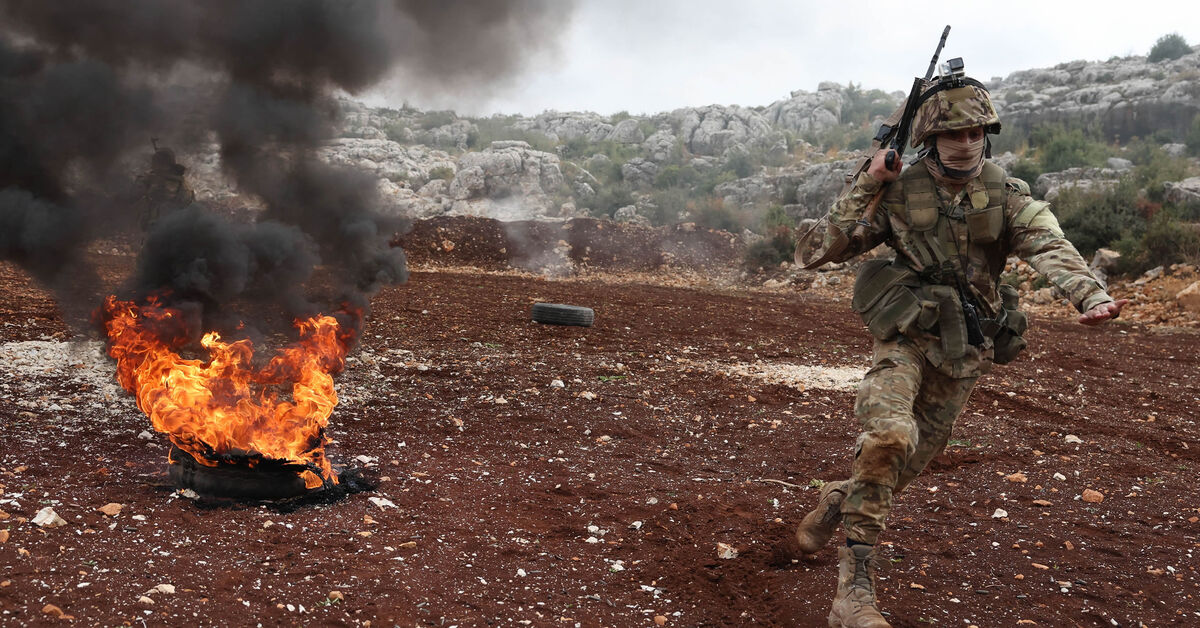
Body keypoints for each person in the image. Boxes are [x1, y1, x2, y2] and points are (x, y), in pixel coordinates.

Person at [793, 66, 1127, 628]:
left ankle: (840, 500)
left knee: (906, 464)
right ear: (930, 138)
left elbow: (1049, 244)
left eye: (977, 133)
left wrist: (1088, 293)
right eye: (954, 134)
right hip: (904, 337)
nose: (967, 143)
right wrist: (869, 182)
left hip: (964, 347)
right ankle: (854, 590)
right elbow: (814, 251)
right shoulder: (895, 188)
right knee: (891, 437)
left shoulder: (1005, 192)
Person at [134, 145, 195, 231]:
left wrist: (151, 183)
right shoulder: (164, 178)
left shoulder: (173, 181)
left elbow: (162, 198)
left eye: (157, 162)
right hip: (162, 227)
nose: (154, 166)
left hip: (169, 228)